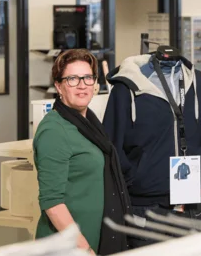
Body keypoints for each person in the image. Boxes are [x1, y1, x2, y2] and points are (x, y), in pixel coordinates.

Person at [103, 50, 201, 248]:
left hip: (189, 205)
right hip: (145, 206)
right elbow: (111, 143)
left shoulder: (199, 83)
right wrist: (135, 177)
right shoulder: (126, 87)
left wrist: (198, 160)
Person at [33, 49, 130, 255]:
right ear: (58, 86)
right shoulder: (54, 130)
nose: (82, 85)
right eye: (72, 79)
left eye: (87, 78)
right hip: (70, 247)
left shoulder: (90, 123)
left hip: (95, 237)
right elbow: (52, 202)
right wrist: (83, 248)